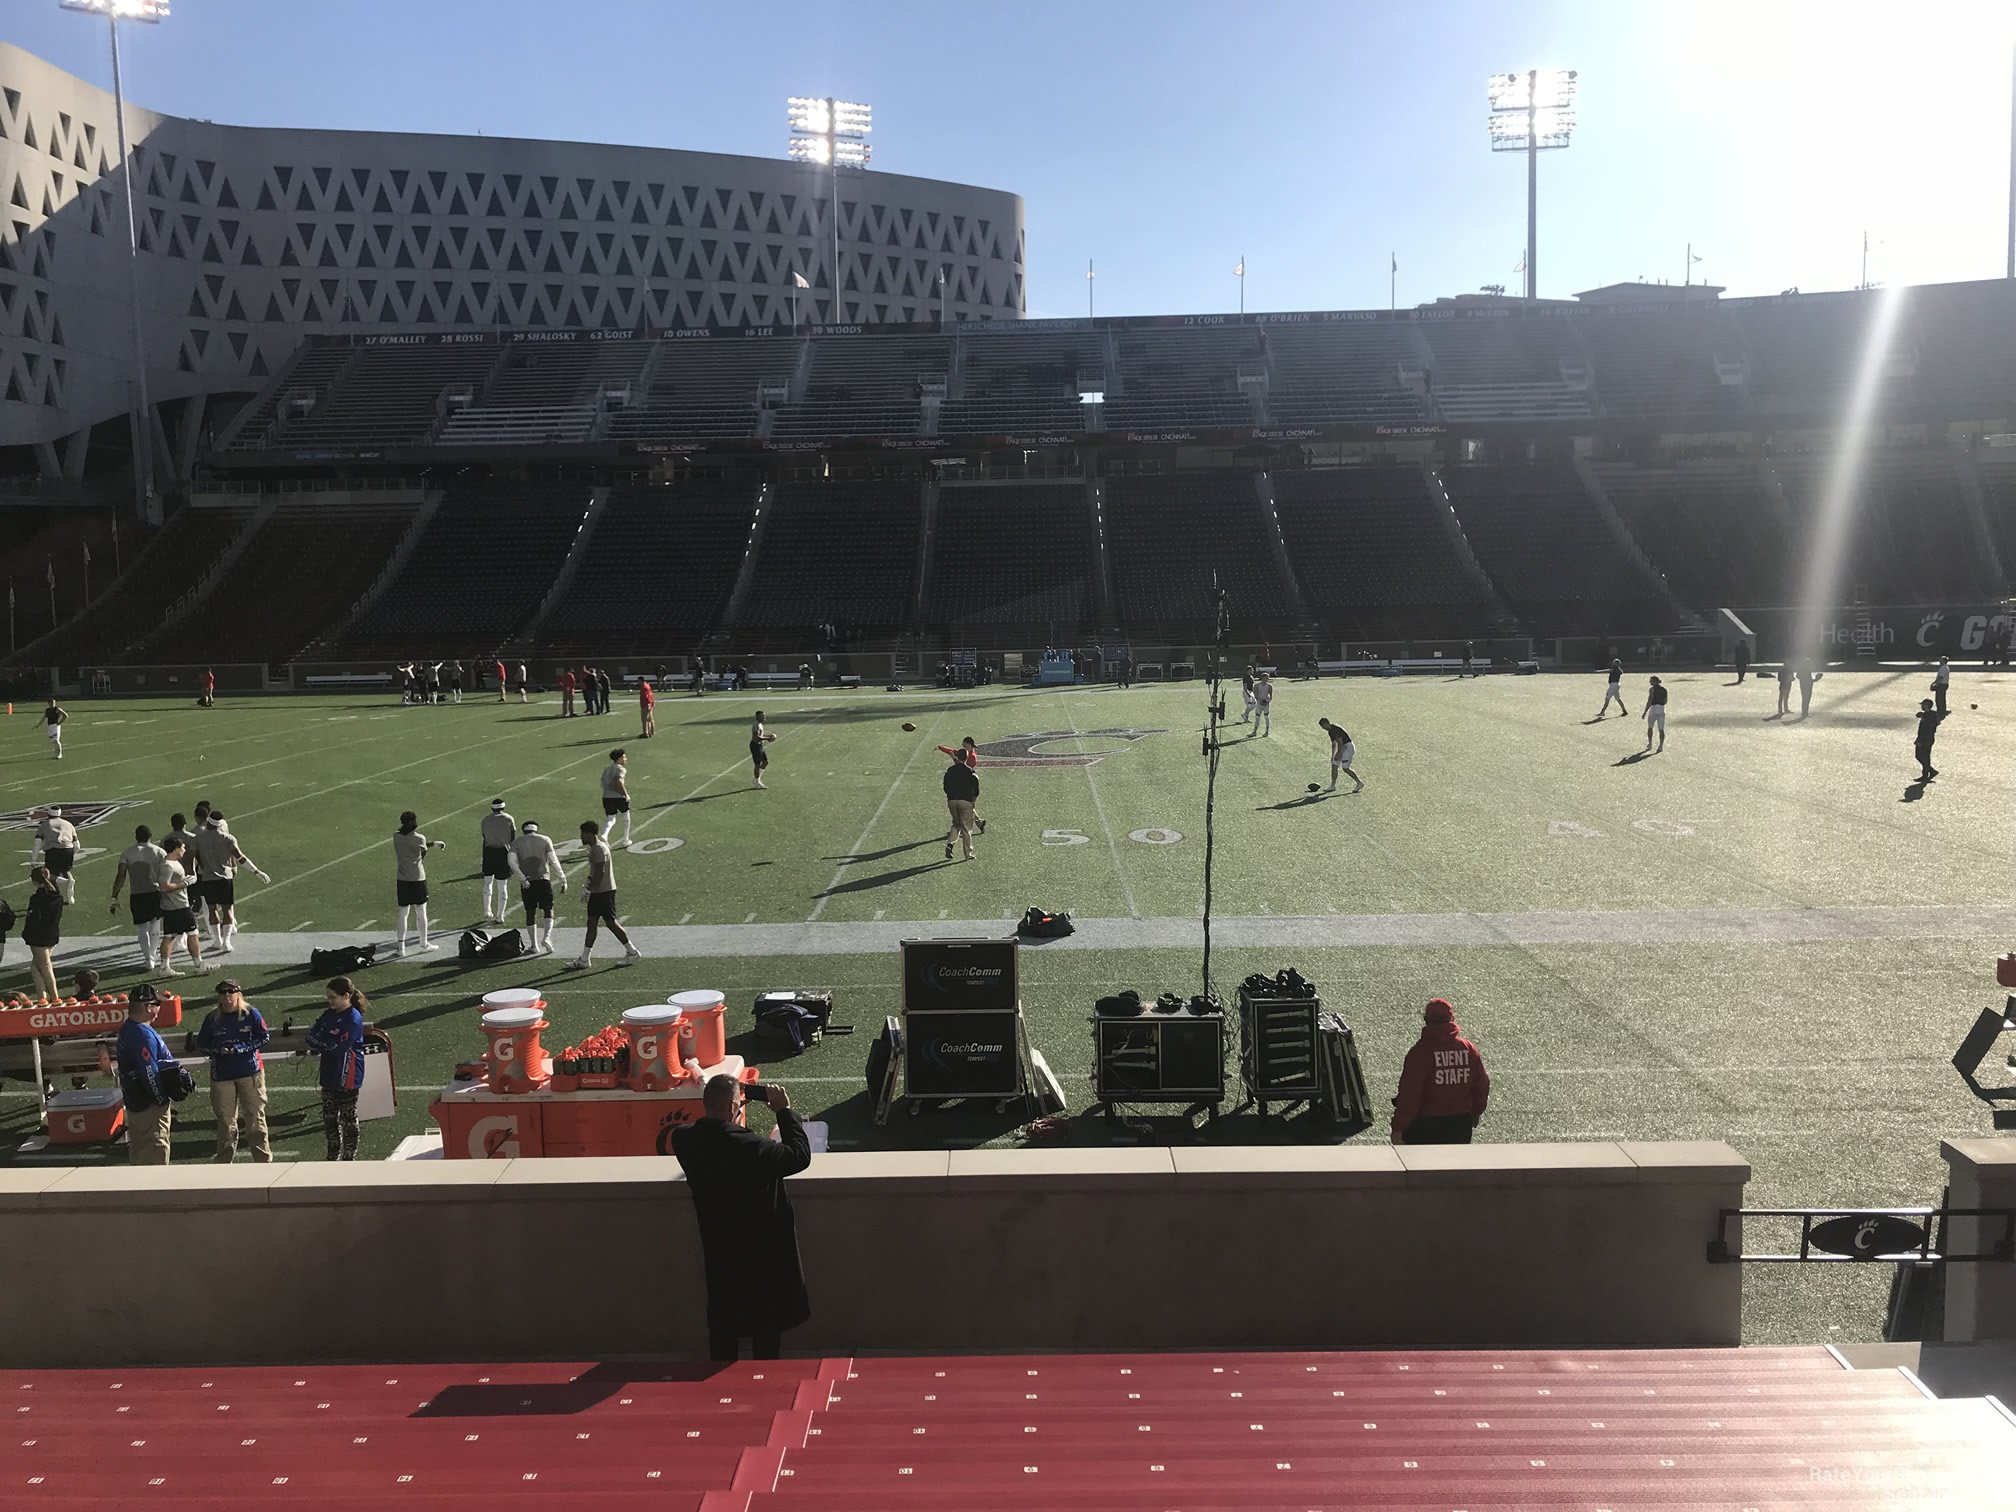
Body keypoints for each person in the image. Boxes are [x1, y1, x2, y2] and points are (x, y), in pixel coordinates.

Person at [670, 1075, 812, 1362]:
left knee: (723, 1322)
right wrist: (784, 1111)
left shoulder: (685, 1140)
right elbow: (799, 1155)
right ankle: (763, 1382)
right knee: (766, 1324)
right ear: (735, 1105)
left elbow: (701, 1137)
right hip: (762, 1250)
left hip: (718, 1246)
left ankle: (719, 1385)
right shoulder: (753, 1148)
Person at [1390, 997, 1491, 1145]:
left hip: (1426, 1125)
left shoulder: (1420, 1053)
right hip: (1460, 1124)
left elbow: (1410, 1094)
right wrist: (1476, 1111)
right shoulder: (1468, 1049)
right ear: (1452, 1019)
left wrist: (1398, 1127)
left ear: (1426, 1020)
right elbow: (1482, 1085)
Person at [195, 978, 271, 1164]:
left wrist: (243, 1047)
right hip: (222, 1074)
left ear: (239, 994)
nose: (227, 997)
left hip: (250, 1071)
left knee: (255, 1119)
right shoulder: (212, 1018)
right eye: (223, 993)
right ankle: (224, 1164)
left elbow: (264, 1037)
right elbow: (202, 1045)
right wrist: (218, 1050)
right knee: (226, 1122)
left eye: (231, 993)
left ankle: (264, 1163)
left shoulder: (251, 1013)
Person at [116, 984, 183, 1165]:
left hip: (136, 1099)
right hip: (148, 1104)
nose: (159, 1008)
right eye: (157, 1004)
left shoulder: (129, 1028)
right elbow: (148, 1072)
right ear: (148, 1007)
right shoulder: (142, 1034)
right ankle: (155, 1192)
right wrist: (160, 1098)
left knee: (140, 1149)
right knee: (155, 1149)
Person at [306, 976, 368, 1161]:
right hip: (329, 1071)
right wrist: (324, 1043)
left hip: (347, 1073)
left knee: (348, 1118)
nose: (329, 1001)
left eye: (333, 997)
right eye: (328, 997)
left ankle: (349, 1157)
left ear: (346, 995)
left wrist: (321, 1044)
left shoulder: (353, 1018)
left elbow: (339, 1047)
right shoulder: (328, 1014)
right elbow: (311, 1036)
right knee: (329, 1117)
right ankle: (332, 1155)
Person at [191, 811, 268, 956]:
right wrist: (257, 871)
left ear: (208, 822)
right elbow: (241, 858)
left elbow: (193, 858)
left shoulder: (199, 839)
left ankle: (217, 940)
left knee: (212, 909)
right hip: (225, 878)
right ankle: (226, 941)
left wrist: (197, 871)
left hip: (207, 877)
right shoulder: (228, 838)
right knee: (228, 909)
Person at [569, 821, 640, 968]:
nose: (581, 836)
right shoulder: (599, 847)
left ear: (589, 834)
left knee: (609, 923)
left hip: (602, 891)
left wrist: (589, 890)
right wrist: (589, 881)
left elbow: (600, 873)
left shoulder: (598, 849)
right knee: (594, 923)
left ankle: (632, 951)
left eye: (583, 833)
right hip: (602, 890)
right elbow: (596, 872)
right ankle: (585, 959)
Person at [110, 822, 166, 969]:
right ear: (150, 836)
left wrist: (114, 895)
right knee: (155, 924)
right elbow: (166, 873)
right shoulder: (159, 852)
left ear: (136, 837)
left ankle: (148, 958)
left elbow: (120, 876)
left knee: (142, 927)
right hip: (155, 892)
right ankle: (153, 955)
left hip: (137, 893)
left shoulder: (127, 853)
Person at [508, 819, 567, 955]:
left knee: (530, 912)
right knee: (548, 909)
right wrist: (562, 878)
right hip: (543, 880)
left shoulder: (517, 843)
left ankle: (534, 945)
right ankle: (546, 937)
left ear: (524, 830)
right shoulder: (545, 840)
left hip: (527, 882)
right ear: (536, 829)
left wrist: (522, 878)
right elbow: (554, 861)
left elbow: (511, 862)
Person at [392, 810, 446, 954]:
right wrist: (433, 844)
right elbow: (421, 853)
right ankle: (423, 942)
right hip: (417, 878)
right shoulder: (420, 838)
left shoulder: (396, 837)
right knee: (421, 912)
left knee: (403, 913)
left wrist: (433, 843)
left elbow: (411, 844)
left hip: (402, 878)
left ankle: (400, 946)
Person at [154, 834, 204, 977]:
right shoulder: (168, 866)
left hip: (174, 905)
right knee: (193, 933)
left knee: (170, 935)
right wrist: (185, 883)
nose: (184, 850)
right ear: (176, 848)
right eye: (182, 847)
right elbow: (164, 887)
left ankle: (164, 967)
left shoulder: (173, 863)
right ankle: (198, 964)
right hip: (178, 906)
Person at [21, 866, 62, 1000]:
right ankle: (42, 997)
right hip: (52, 934)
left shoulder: (37, 898)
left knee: (45, 966)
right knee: (35, 967)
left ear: (34, 881)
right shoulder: (57, 895)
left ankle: (54, 997)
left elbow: (33, 919)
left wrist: (26, 934)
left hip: (39, 937)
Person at [936, 737, 987, 833]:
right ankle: (979, 823)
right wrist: (941, 748)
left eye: (964, 743)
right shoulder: (967, 753)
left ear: (968, 744)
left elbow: (963, 769)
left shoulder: (971, 757)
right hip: (965, 784)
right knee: (967, 807)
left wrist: (954, 758)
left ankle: (958, 831)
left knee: (962, 809)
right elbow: (954, 751)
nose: (962, 744)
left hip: (966, 785)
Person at [478, 798, 516, 922]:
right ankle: (500, 915)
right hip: (503, 852)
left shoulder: (485, 820)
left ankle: (487, 909)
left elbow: (484, 836)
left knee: (488, 881)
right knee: (502, 885)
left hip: (488, 851)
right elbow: (512, 837)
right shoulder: (509, 819)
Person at [33, 805, 79, 903]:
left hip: (53, 850)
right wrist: (71, 854)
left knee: (50, 875)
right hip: (68, 848)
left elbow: (37, 843)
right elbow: (77, 845)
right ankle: (70, 897)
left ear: (48, 814)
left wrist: (34, 859)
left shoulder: (44, 825)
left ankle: (58, 892)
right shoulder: (68, 824)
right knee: (66, 871)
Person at [942, 748, 980, 862]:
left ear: (957, 757)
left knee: (956, 824)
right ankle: (968, 853)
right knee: (966, 828)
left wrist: (950, 797)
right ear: (967, 757)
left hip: (952, 801)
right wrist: (972, 801)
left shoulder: (950, 770)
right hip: (965, 801)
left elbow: (945, 786)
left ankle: (950, 844)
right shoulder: (970, 772)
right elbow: (976, 790)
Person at [1319, 718, 1363, 793]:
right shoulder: (1330, 732)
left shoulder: (1335, 730)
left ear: (1327, 723)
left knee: (1345, 768)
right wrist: (1333, 756)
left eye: (1323, 726)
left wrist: (1338, 754)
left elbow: (1340, 743)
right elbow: (1334, 744)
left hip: (1347, 747)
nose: (1323, 728)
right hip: (1342, 747)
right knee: (1334, 764)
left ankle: (1359, 783)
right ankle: (1332, 786)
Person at [600, 748, 633, 845]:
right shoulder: (620, 769)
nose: (625, 759)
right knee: (626, 815)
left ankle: (605, 835)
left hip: (606, 796)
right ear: (619, 759)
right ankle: (626, 839)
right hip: (618, 796)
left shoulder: (607, 769)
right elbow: (619, 781)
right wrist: (625, 794)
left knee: (611, 818)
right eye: (624, 757)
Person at [1915, 697, 1949, 782]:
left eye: (1923, 705)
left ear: (1927, 705)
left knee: (1921, 756)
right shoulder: (1930, 714)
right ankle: (1929, 771)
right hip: (1928, 738)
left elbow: (1925, 730)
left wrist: (1919, 740)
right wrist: (1922, 714)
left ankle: (1927, 773)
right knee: (1924, 756)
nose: (1921, 706)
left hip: (1925, 739)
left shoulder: (1928, 716)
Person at [750, 712, 776, 789]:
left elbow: (759, 736)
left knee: (765, 762)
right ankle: (756, 781)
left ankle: (757, 779)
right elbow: (756, 737)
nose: (764, 718)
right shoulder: (756, 725)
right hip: (755, 745)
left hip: (759, 745)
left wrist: (767, 737)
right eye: (762, 716)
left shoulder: (760, 724)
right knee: (757, 764)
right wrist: (768, 738)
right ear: (758, 717)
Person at [1644, 675, 1668, 753]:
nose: (1650, 682)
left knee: (1650, 727)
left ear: (1654, 681)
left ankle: (1650, 743)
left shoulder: (1652, 689)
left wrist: (1645, 711)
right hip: (1661, 708)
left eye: (1651, 681)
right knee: (1661, 729)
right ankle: (1660, 746)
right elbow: (1665, 701)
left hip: (1653, 708)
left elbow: (1650, 700)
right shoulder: (1664, 690)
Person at [1252, 672, 1274, 737]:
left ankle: (1267, 732)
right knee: (1257, 717)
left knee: (1266, 717)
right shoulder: (1257, 686)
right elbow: (1255, 694)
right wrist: (1259, 700)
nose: (1267, 679)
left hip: (1266, 704)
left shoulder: (1269, 686)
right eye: (1266, 678)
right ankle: (1254, 732)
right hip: (1259, 703)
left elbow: (1271, 696)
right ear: (1262, 678)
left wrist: (1267, 701)